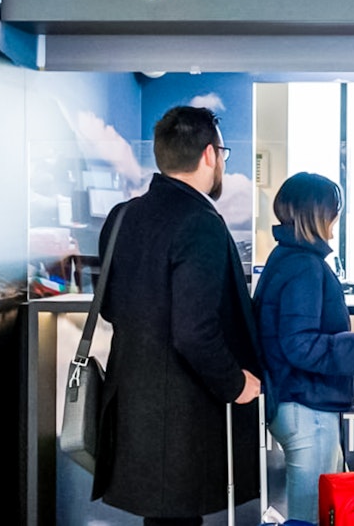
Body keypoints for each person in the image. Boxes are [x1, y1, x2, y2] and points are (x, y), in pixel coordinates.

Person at [92, 106, 263, 526]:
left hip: (133, 406)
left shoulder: (122, 216)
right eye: (223, 154)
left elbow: (111, 306)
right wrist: (235, 383)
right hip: (182, 418)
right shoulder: (200, 223)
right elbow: (194, 331)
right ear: (210, 155)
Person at [254, 172, 354, 524]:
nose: (337, 217)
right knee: (309, 516)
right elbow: (300, 344)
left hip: (294, 401)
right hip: (306, 406)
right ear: (320, 214)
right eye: (334, 210)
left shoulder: (285, 258)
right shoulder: (304, 267)